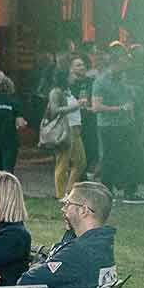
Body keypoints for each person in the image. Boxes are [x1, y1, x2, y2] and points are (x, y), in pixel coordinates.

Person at [90, 46, 144, 204]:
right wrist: (120, 109)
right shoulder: (101, 81)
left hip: (126, 124)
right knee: (110, 159)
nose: (128, 62)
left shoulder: (123, 77)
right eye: (125, 60)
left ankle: (130, 192)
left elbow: (129, 97)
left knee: (130, 156)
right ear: (116, 61)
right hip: (109, 126)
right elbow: (95, 107)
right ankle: (106, 193)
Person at [47, 58, 89, 199]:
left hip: (76, 129)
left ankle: (69, 191)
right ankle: (60, 195)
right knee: (62, 163)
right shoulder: (56, 92)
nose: (74, 77)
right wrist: (75, 106)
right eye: (71, 75)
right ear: (65, 77)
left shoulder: (69, 91)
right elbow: (54, 110)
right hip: (65, 130)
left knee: (81, 162)